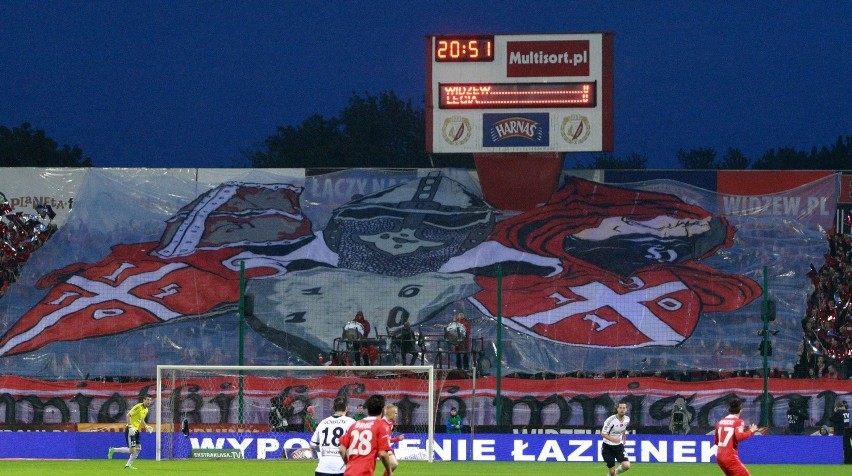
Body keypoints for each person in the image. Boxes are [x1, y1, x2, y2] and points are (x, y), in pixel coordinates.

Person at [339, 394, 393, 476]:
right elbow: (382, 454)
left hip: (348, 472)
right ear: (383, 409)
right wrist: (389, 472)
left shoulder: (355, 425)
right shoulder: (381, 425)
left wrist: (348, 464)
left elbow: (341, 450)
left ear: (367, 409)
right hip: (365, 473)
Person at [310, 397, 355, 476]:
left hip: (322, 469)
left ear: (333, 408)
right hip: (342, 469)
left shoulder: (323, 422)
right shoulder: (351, 422)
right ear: (346, 407)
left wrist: (323, 448)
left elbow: (312, 445)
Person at [108, 395, 154, 470]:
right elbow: (128, 415)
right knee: (132, 450)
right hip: (130, 430)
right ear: (144, 400)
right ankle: (113, 450)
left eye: (150, 400)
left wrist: (146, 426)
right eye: (148, 400)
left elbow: (141, 419)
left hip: (136, 430)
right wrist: (130, 426)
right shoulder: (138, 407)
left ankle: (128, 465)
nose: (149, 402)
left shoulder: (146, 410)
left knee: (138, 449)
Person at [714, 398, 758, 476]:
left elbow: (716, 442)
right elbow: (739, 437)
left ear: (729, 409)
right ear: (740, 410)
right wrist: (751, 431)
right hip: (730, 457)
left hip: (719, 457)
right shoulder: (738, 422)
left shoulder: (720, 422)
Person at [601, 401, 631, 476]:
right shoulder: (610, 420)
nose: (622, 410)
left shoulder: (627, 419)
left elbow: (623, 429)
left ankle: (616, 473)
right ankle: (612, 474)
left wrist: (624, 439)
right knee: (611, 471)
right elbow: (603, 433)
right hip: (607, 447)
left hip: (618, 446)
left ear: (626, 409)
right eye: (620, 408)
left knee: (626, 465)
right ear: (617, 409)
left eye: (624, 408)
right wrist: (613, 439)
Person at [381, 404, 404, 476]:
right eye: (395, 413)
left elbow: (388, 439)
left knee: (393, 464)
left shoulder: (391, 422)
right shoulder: (382, 424)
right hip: (379, 447)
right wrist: (397, 439)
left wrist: (397, 439)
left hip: (384, 445)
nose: (396, 415)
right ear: (390, 413)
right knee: (393, 464)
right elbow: (384, 440)